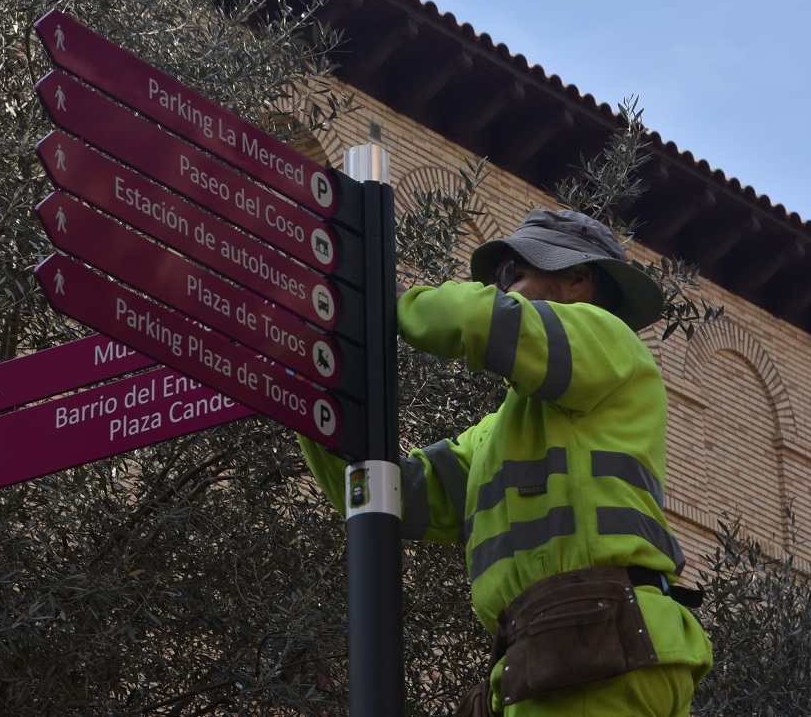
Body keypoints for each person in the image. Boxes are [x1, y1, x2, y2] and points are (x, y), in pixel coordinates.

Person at [299, 209, 713, 716]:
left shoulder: (607, 339)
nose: (502, 288)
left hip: (597, 642)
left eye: (513, 273)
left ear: (578, 280)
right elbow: (390, 496)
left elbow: (477, 318)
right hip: (563, 653)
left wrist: (379, 307)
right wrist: (317, 402)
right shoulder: (498, 433)